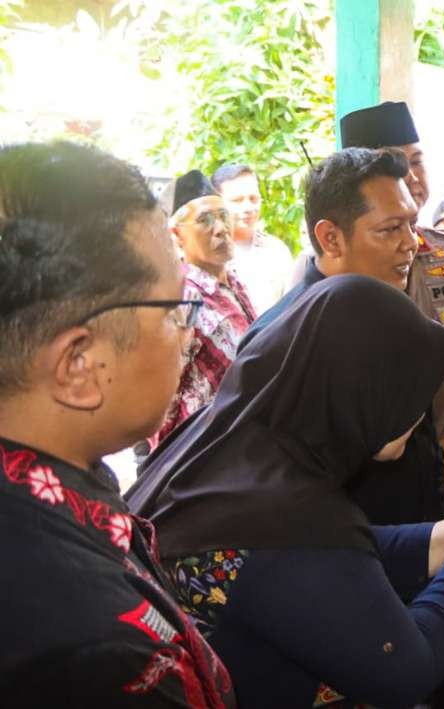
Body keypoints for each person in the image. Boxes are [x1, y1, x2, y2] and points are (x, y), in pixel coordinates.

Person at [127, 275, 444, 708]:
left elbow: (339, 556)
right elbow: (405, 670)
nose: (418, 413)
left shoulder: (237, 453)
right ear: (357, 388)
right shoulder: (290, 517)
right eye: (404, 391)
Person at [0, 141, 233, 706]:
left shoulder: (62, 489)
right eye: (174, 310)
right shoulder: (92, 643)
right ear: (80, 365)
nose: (187, 333)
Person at [241, 147, 444, 526]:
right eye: (390, 229)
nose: (411, 243)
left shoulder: (390, 318)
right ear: (331, 238)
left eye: (411, 224)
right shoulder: (279, 343)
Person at [338, 102, 444, 513]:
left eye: (416, 161)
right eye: (392, 166)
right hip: (360, 487)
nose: (410, 178)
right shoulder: (331, 264)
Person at [151, 169, 255, 448]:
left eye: (223, 216)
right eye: (205, 220)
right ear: (176, 234)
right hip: (203, 453)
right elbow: (160, 399)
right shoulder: (181, 297)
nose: (220, 228)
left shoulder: (234, 283)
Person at [211, 164, 295, 315]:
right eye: (237, 200)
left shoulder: (276, 251)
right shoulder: (208, 256)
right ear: (217, 204)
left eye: (253, 198)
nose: (248, 207)